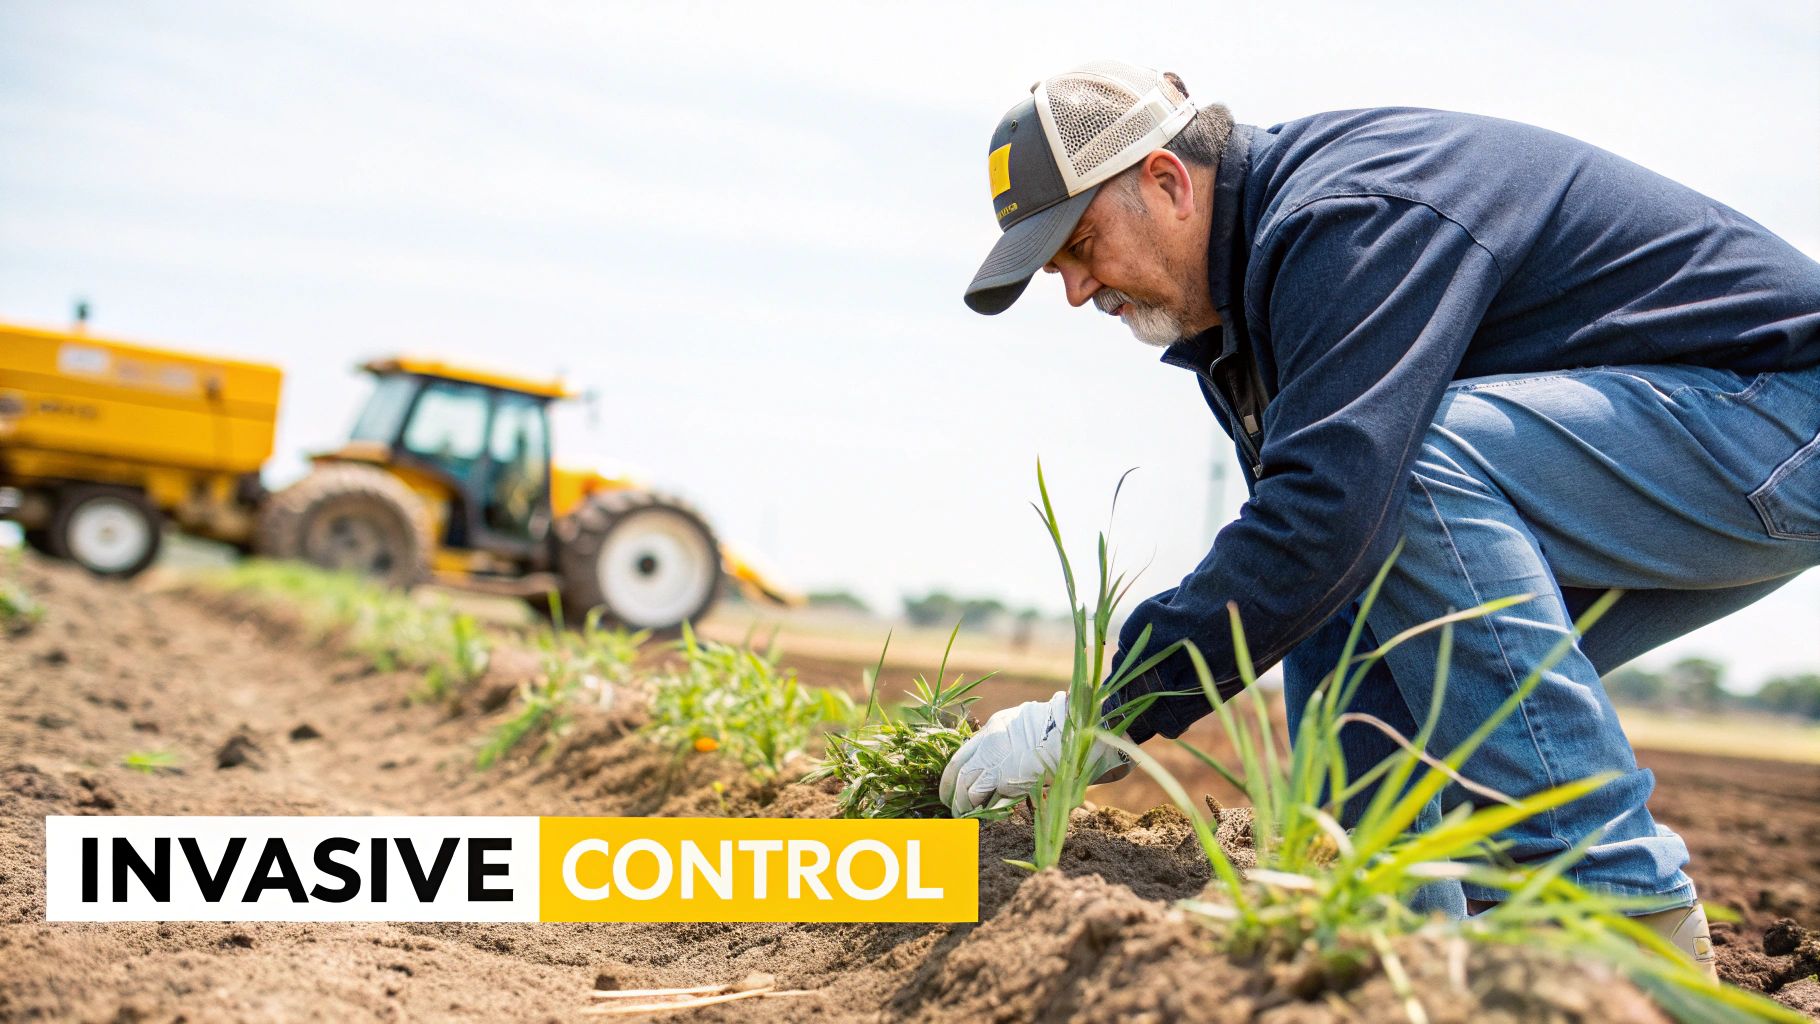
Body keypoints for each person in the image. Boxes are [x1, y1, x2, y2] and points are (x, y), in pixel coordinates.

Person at [938, 60, 1820, 975]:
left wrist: (1100, 712)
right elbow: (1312, 573)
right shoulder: (1242, 319)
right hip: (1682, 455)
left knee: (1406, 473)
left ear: (1166, 181)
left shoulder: (1345, 222)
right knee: (1362, 635)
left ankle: (1626, 919)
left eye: (1080, 244)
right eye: (1056, 269)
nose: (1077, 290)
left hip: (1782, 417)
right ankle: (1419, 948)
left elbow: (1329, 513)